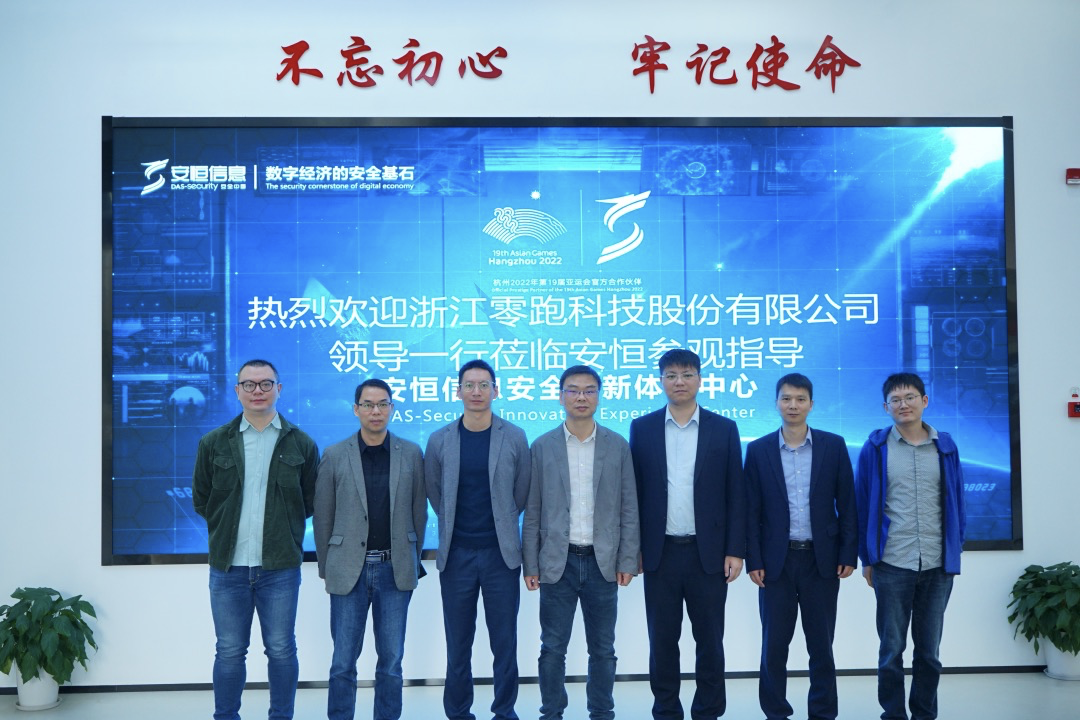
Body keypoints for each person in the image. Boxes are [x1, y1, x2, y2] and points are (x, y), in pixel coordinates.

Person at [192, 359, 319, 720]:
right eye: (249, 384)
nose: (257, 391)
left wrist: (283, 531)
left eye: (265, 384)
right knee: (229, 651)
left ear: (279, 389)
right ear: (237, 391)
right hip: (228, 567)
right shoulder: (214, 442)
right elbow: (202, 499)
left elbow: (310, 501)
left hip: (280, 568)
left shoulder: (302, 443)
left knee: (281, 649)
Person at [628, 348, 747, 720]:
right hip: (660, 553)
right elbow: (635, 493)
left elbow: (736, 493)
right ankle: (666, 710)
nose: (679, 382)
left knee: (709, 640)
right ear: (660, 380)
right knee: (662, 640)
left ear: (699, 379)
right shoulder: (642, 428)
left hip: (707, 553)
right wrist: (635, 548)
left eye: (687, 374)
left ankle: (708, 711)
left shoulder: (723, 428)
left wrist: (735, 549)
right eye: (671, 375)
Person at [522, 366, 640, 720]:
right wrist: (531, 563)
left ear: (599, 397)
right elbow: (532, 510)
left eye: (589, 390)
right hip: (557, 563)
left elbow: (629, 507)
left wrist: (627, 558)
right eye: (573, 390)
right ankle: (551, 713)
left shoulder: (617, 445)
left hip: (603, 562)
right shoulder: (542, 446)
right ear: (561, 397)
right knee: (552, 648)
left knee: (603, 649)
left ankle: (602, 713)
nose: (581, 397)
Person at [744, 373, 857, 720]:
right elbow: (751, 511)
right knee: (774, 646)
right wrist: (753, 560)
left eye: (800, 399)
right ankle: (775, 712)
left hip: (821, 561)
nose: (793, 405)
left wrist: (847, 553)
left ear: (811, 404)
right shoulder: (759, 450)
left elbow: (847, 503)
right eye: (786, 398)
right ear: (777, 403)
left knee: (821, 645)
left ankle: (822, 712)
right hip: (775, 563)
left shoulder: (833, 446)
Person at [314, 378, 427, 720]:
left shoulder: (411, 453)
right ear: (356, 409)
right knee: (343, 662)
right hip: (349, 569)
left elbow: (419, 513)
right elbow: (323, 516)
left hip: (395, 569)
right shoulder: (335, 455)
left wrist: (410, 558)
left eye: (382, 404)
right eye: (368, 404)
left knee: (391, 662)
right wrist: (328, 566)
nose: (375, 411)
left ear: (392, 408)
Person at [855, 372, 966, 720]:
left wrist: (956, 548)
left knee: (929, 652)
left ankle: (923, 714)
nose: (903, 404)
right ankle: (893, 714)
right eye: (896, 400)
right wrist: (867, 558)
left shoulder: (945, 447)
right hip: (892, 563)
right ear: (885, 407)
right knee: (891, 650)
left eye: (910, 397)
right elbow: (862, 505)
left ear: (924, 401)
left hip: (937, 564)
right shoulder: (876, 448)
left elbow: (958, 501)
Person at [425, 359, 531, 720]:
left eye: (484, 385)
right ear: (458, 391)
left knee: (505, 642)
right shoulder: (439, 440)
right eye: (469, 385)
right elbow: (435, 493)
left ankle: (504, 711)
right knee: (458, 643)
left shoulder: (514, 436)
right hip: (457, 556)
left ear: (495, 391)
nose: (476, 391)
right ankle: (458, 712)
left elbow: (520, 493)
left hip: (501, 555)